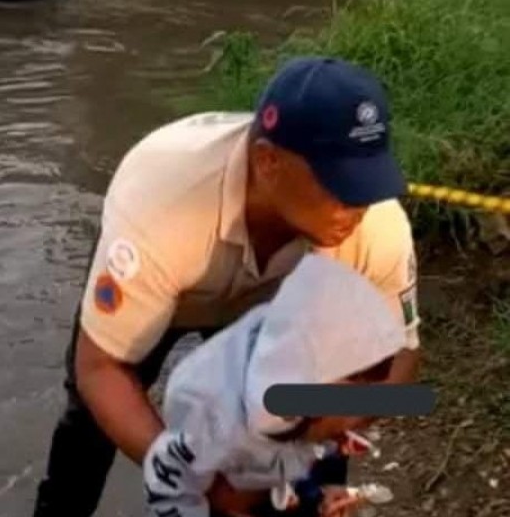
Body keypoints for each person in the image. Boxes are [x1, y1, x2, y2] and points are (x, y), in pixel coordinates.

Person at [32, 56, 421, 517]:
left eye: (369, 181)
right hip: (173, 281)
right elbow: (101, 369)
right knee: (89, 425)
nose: (357, 205)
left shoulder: (374, 224)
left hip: (271, 300)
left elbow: (398, 360)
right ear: (268, 162)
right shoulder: (162, 212)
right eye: (339, 184)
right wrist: (189, 474)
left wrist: (318, 429)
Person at [142, 253, 405, 517]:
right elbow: (168, 477)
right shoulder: (220, 416)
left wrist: (322, 495)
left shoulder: (313, 406)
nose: (358, 420)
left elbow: (315, 449)